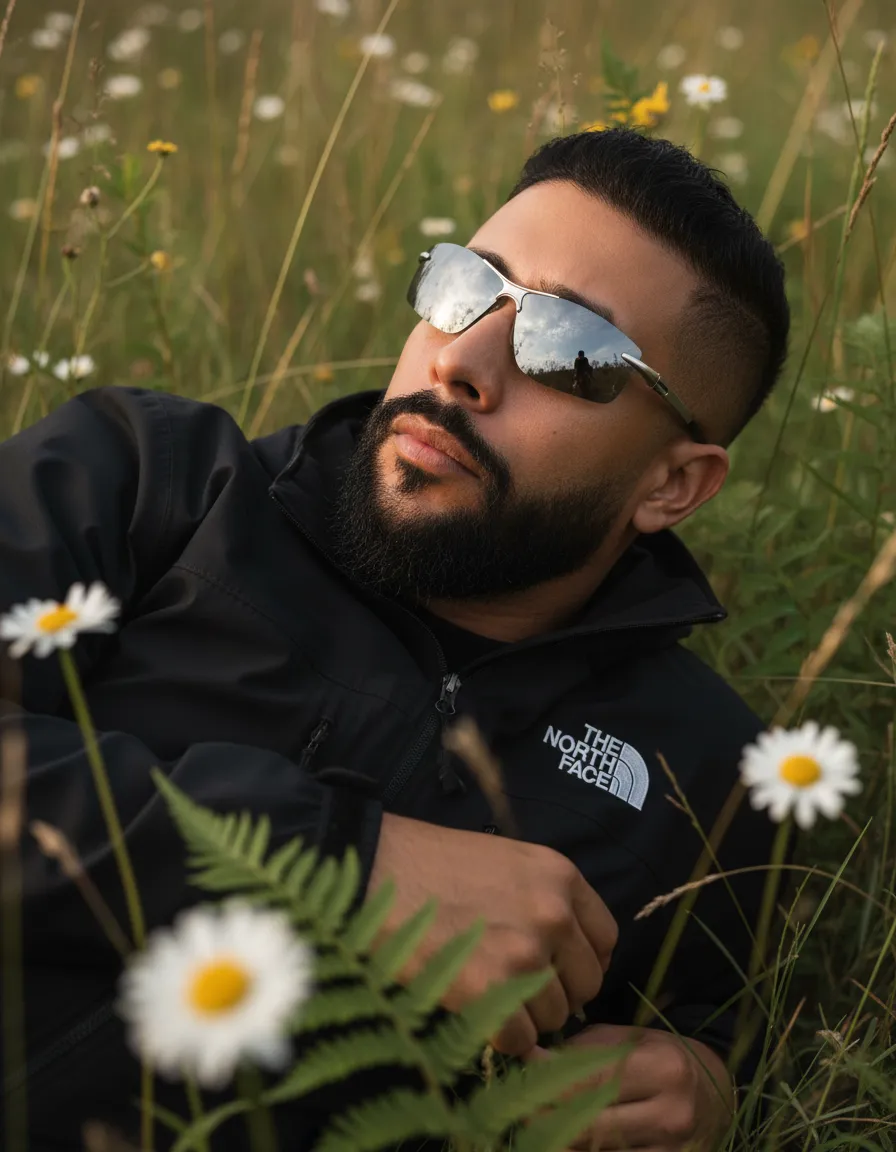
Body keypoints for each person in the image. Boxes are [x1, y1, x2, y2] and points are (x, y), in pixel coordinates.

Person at [1, 128, 790, 1150]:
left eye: (566, 348)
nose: (456, 359)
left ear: (672, 484)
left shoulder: (705, 771)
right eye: (464, 285)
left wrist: (704, 1089)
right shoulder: (149, 476)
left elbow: (721, 1041)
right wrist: (346, 868)